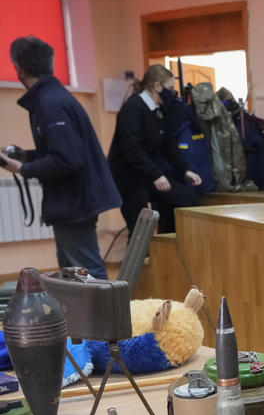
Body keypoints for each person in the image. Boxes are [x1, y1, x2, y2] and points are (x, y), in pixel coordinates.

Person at [1, 36, 121, 279]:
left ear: (19, 69)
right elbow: (63, 150)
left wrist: (23, 169)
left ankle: (106, 317)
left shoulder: (50, 103)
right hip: (73, 199)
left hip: (75, 201)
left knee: (85, 272)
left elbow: (68, 158)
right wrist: (26, 156)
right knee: (71, 270)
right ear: (51, 64)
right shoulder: (53, 98)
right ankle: (84, 317)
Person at [108, 64, 202, 235]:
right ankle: (141, 259)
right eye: (170, 89)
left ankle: (169, 248)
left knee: (188, 200)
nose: (174, 94)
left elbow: (168, 144)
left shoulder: (160, 110)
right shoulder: (133, 108)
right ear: (157, 86)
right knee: (140, 230)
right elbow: (132, 149)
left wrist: (184, 170)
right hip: (129, 177)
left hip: (148, 173)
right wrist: (156, 175)